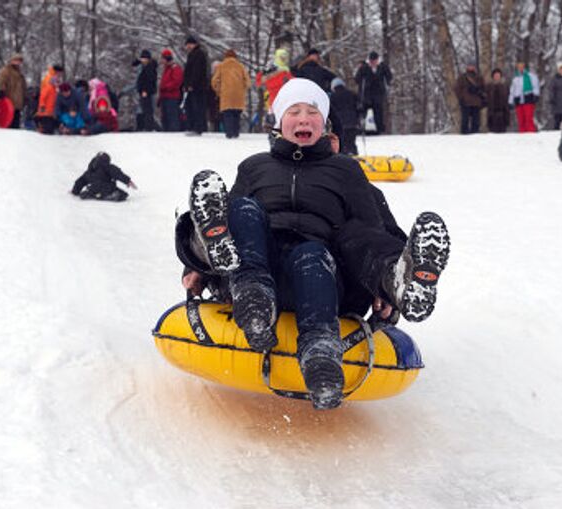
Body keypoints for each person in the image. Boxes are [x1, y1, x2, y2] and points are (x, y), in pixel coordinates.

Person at [177, 78, 450, 409]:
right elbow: (226, 223)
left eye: (312, 112)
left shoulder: (346, 171)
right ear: (279, 122)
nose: (304, 119)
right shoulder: (254, 167)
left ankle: (395, 284)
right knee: (240, 209)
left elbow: (377, 230)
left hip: (322, 279)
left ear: (325, 125)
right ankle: (247, 290)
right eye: (294, 111)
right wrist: (196, 269)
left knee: (335, 242)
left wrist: (383, 286)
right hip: (257, 266)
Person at [211, 49, 251, 138]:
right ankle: (236, 133)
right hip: (238, 95)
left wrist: (218, 91)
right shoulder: (240, 66)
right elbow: (248, 81)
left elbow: (214, 81)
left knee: (228, 114)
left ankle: (229, 133)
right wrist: (242, 89)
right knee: (236, 114)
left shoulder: (221, 66)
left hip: (226, 94)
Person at [71, 152, 137, 201]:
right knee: (124, 195)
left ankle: (93, 194)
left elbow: (80, 181)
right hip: (107, 187)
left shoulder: (89, 171)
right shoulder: (107, 167)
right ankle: (104, 196)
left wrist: (75, 191)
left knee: (93, 188)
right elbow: (117, 173)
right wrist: (127, 181)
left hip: (93, 187)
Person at [354, 51, 392, 134]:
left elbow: (389, 77)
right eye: (371, 61)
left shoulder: (382, 67)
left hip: (378, 94)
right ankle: (361, 130)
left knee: (378, 113)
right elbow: (357, 79)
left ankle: (379, 130)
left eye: (375, 61)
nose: (373, 63)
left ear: (378, 60)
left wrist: (386, 84)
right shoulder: (364, 67)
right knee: (363, 113)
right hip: (366, 95)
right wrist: (361, 70)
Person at [255, 48, 293, 129]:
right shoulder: (272, 69)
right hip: (273, 96)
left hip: (280, 97)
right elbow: (259, 81)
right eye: (281, 57)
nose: (283, 59)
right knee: (275, 117)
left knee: (277, 117)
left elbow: (259, 81)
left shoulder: (285, 70)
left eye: (285, 57)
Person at [183, 36, 209, 135]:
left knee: (197, 107)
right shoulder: (192, 54)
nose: (188, 47)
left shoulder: (198, 54)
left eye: (189, 44)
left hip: (197, 86)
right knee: (191, 107)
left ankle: (197, 128)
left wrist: (191, 84)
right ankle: (193, 126)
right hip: (193, 86)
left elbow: (196, 71)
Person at [0, 54, 27, 128]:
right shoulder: (6, 71)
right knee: (9, 122)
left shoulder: (20, 73)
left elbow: (23, 87)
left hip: (18, 102)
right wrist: (0, 90)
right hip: (9, 101)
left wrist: (25, 97)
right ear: (11, 61)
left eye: (19, 61)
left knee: (16, 122)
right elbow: (1, 81)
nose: (18, 62)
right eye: (16, 60)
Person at [329, 78, 360, 155]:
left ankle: (344, 158)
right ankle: (354, 156)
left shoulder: (332, 97)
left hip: (340, 123)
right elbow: (358, 107)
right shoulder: (352, 94)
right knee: (352, 142)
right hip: (353, 122)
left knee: (342, 142)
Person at [454, 60, 485, 134]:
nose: (471, 67)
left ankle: (475, 135)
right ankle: (464, 136)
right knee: (465, 121)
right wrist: (461, 98)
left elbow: (483, 89)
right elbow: (457, 89)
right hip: (466, 102)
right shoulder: (462, 77)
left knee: (476, 122)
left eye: (472, 65)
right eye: (469, 65)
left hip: (476, 103)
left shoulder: (479, 77)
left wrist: (478, 91)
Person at [508, 60, 540, 133]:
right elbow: (512, 90)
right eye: (519, 67)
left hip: (528, 98)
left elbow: (536, 86)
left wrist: (536, 95)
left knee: (528, 118)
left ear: (524, 67)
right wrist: (510, 101)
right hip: (518, 99)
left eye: (522, 66)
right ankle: (522, 135)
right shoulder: (515, 78)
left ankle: (531, 133)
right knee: (521, 119)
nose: (520, 68)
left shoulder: (531, 76)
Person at [158, 48, 183, 132]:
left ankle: (174, 132)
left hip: (172, 96)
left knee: (172, 117)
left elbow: (177, 81)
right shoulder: (167, 69)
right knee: (165, 118)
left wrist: (166, 87)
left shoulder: (175, 68)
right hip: (165, 96)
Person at [34, 64, 63, 134]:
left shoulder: (54, 81)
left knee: (50, 130)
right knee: (47, 131)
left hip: (51, 111)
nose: (61, 75)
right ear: (57, 72)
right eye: (60, 73)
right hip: (46, 111)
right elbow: (43, 95)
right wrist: (42, 105)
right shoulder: (49, 81)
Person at [137, 49, 157, 131]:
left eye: (144, 59)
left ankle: (149, 127)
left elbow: (149, 80)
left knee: (148, 109)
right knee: (145, 109)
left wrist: (145, 90)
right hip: (144, 91)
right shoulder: (146, 67)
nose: (143, 61)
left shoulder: (149, 67)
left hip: (147, 92)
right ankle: (147, 126)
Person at [485, 68, 510, 133]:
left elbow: (508, 95)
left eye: (498, 75)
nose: (497, 77)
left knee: (503, 130)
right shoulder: (489, 85)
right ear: (493, 76)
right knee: (492, 130)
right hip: (492, 111)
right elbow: (485, 96)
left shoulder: (505, 85)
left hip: (503, 111)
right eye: (495, 75)